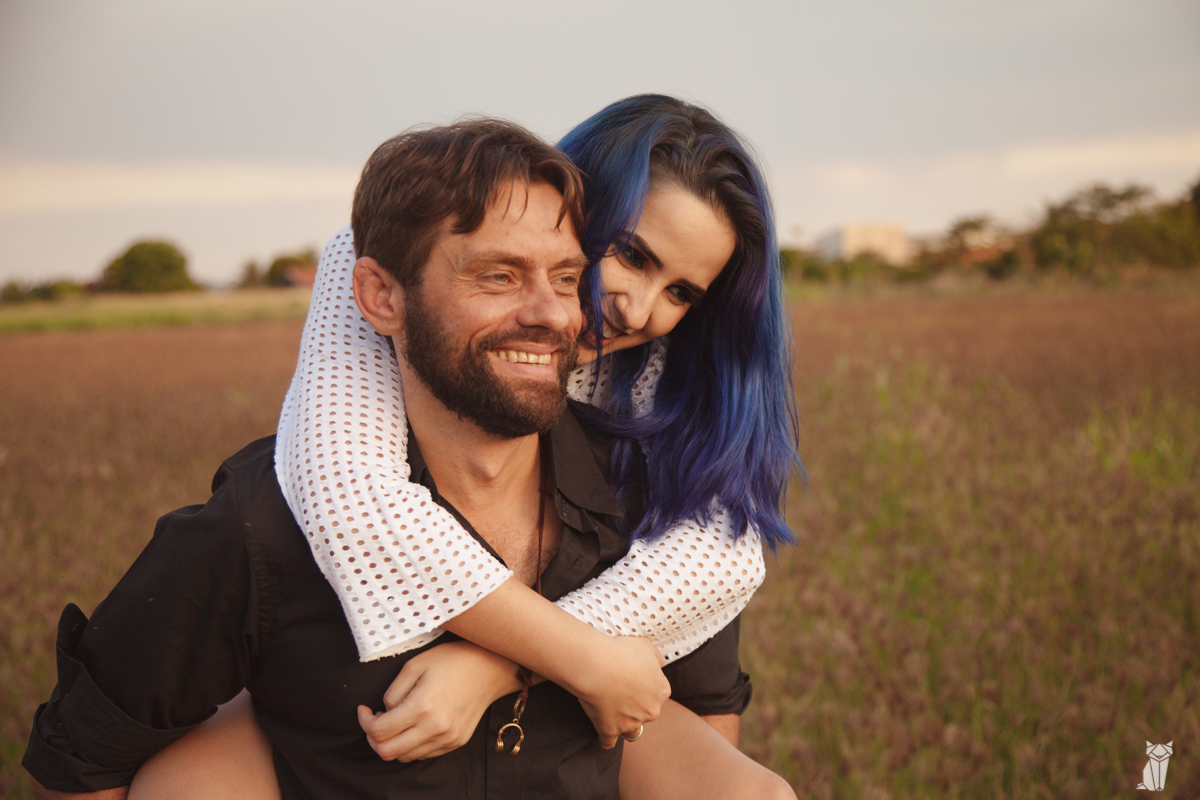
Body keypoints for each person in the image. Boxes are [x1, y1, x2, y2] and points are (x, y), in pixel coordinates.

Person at [24, 117, 787, 800]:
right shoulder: (289, 500)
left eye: (682, 293)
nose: (635, 308)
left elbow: (710, 680)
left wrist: (503, 665)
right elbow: (344, 493)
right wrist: (575, 656)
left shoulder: (649, 472)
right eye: (628, 254)